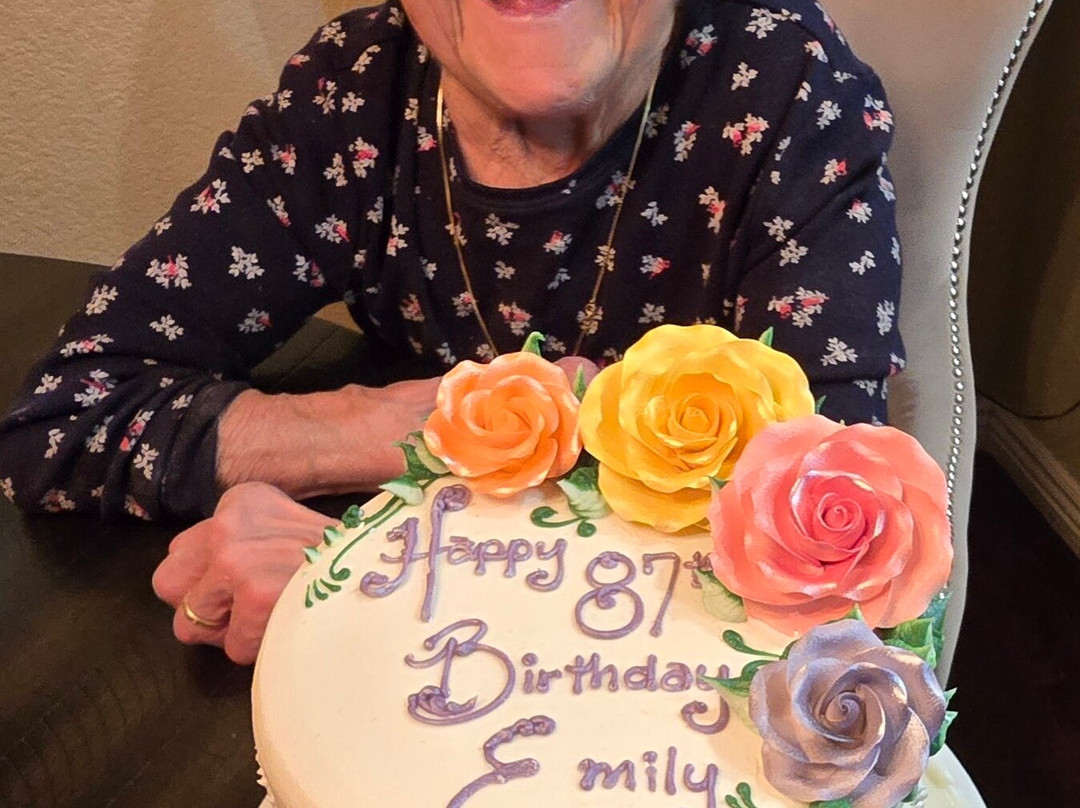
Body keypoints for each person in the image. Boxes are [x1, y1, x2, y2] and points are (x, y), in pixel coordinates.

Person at [0, 0, 904, 663]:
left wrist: (381, 574)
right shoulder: (355, 94)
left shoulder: (787, 89)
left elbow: (835, 553)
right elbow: (64, 419)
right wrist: (409, 429)